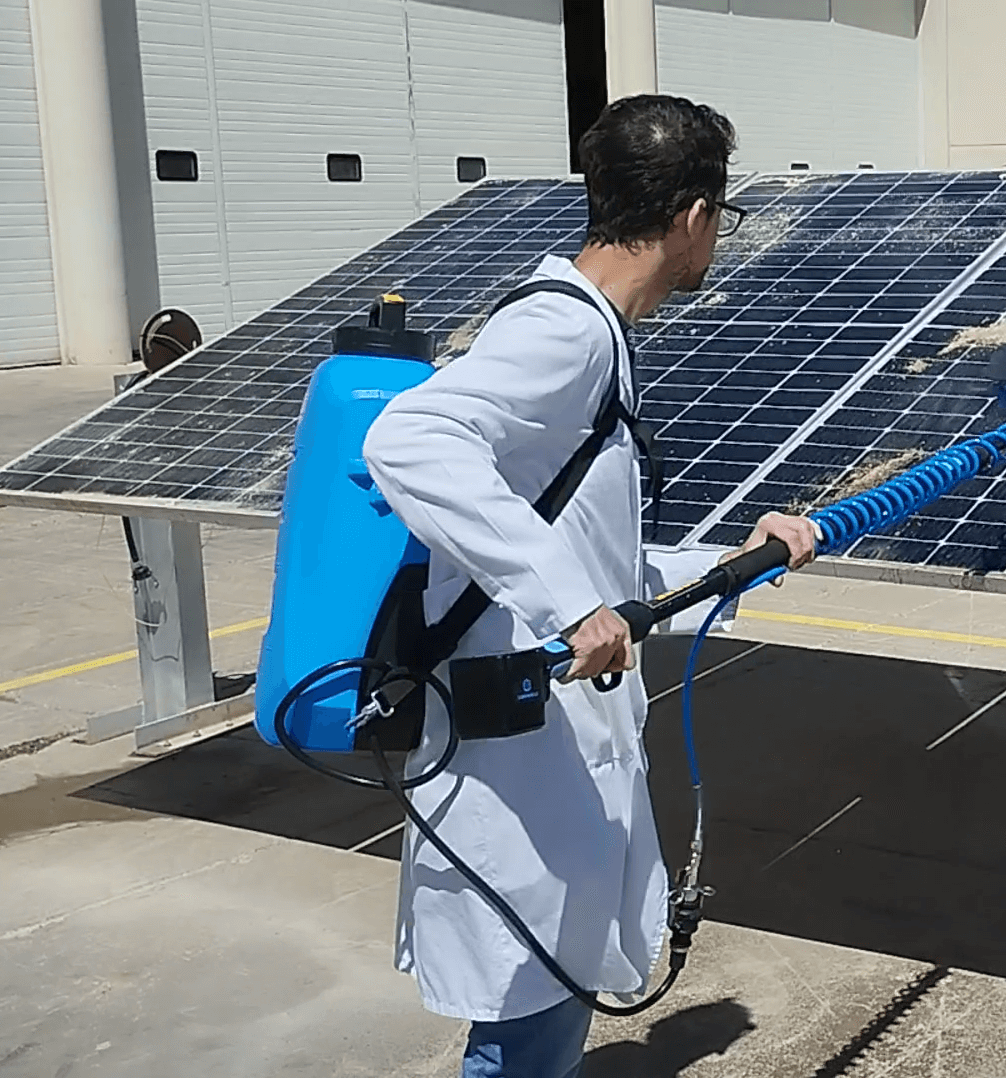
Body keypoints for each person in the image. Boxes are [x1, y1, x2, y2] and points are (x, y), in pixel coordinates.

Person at [360, 95, 818, 1078]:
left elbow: (598, 564)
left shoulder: (586, 328)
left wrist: (739, 562)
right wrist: (572, 606)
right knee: (522, 1034)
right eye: (721, 221)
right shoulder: (568, 334)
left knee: (541, 1013)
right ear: (694, 216)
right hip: (520, 755)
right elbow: (408, 439)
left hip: (547, 751)